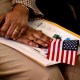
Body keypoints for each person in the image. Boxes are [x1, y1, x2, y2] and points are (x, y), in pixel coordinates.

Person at [0, 0, 64, 80]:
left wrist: (22, 8)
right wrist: (8, 27)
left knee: (75, 58)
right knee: (45, 74)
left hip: (13, 9)